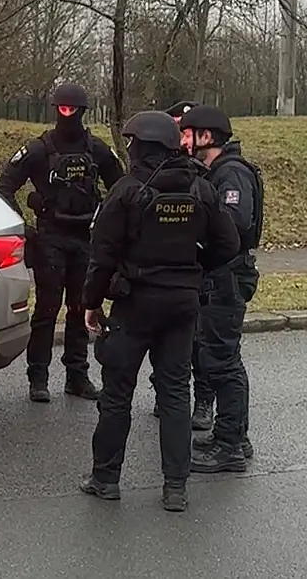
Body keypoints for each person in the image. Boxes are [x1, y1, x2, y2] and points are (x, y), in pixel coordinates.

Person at [79, 110, 240, 512]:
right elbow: (229, 244)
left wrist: (91, 303)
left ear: (141, 147)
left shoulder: (126, 190)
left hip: (134, 304)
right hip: (182, 305)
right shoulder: (200, 189)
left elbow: (102, 256)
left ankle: (106, 479)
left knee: (117, 394)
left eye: (132, 143)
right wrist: (197, 267)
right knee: (174, 394)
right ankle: (175, 488)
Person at [0, 82, 123, 403]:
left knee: (81, 308)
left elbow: (121, 189)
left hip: (86, 240)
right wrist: (24, 227)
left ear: (82, 111)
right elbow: (5, 186)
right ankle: (38, 377)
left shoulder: (97, 149)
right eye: (62, 108)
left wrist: (107, 225)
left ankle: (77, 376)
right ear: (56, 109)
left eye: (72, 109)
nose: (68, 114)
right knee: (47, 311)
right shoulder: (38, 149)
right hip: (50, 239)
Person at [179, 104, 264, 473]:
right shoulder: (218, 171)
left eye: (188, 132)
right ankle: (234, 435)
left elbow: (233, 222)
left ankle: (229, 444)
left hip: (227, 277)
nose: (183, 139)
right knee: (223, 357)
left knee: (221, 360)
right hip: (222, 275)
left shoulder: (230, 174)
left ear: (207, 136)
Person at [150, 98, 214, 431]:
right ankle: (165, 392)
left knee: (200, 342)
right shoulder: (163, 167)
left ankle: (203, 400)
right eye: (180, 131)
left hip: (201, 271)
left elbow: (226, 233)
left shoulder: (210, 172)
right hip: (170, 268)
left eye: (188, 132)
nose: (184, 140)